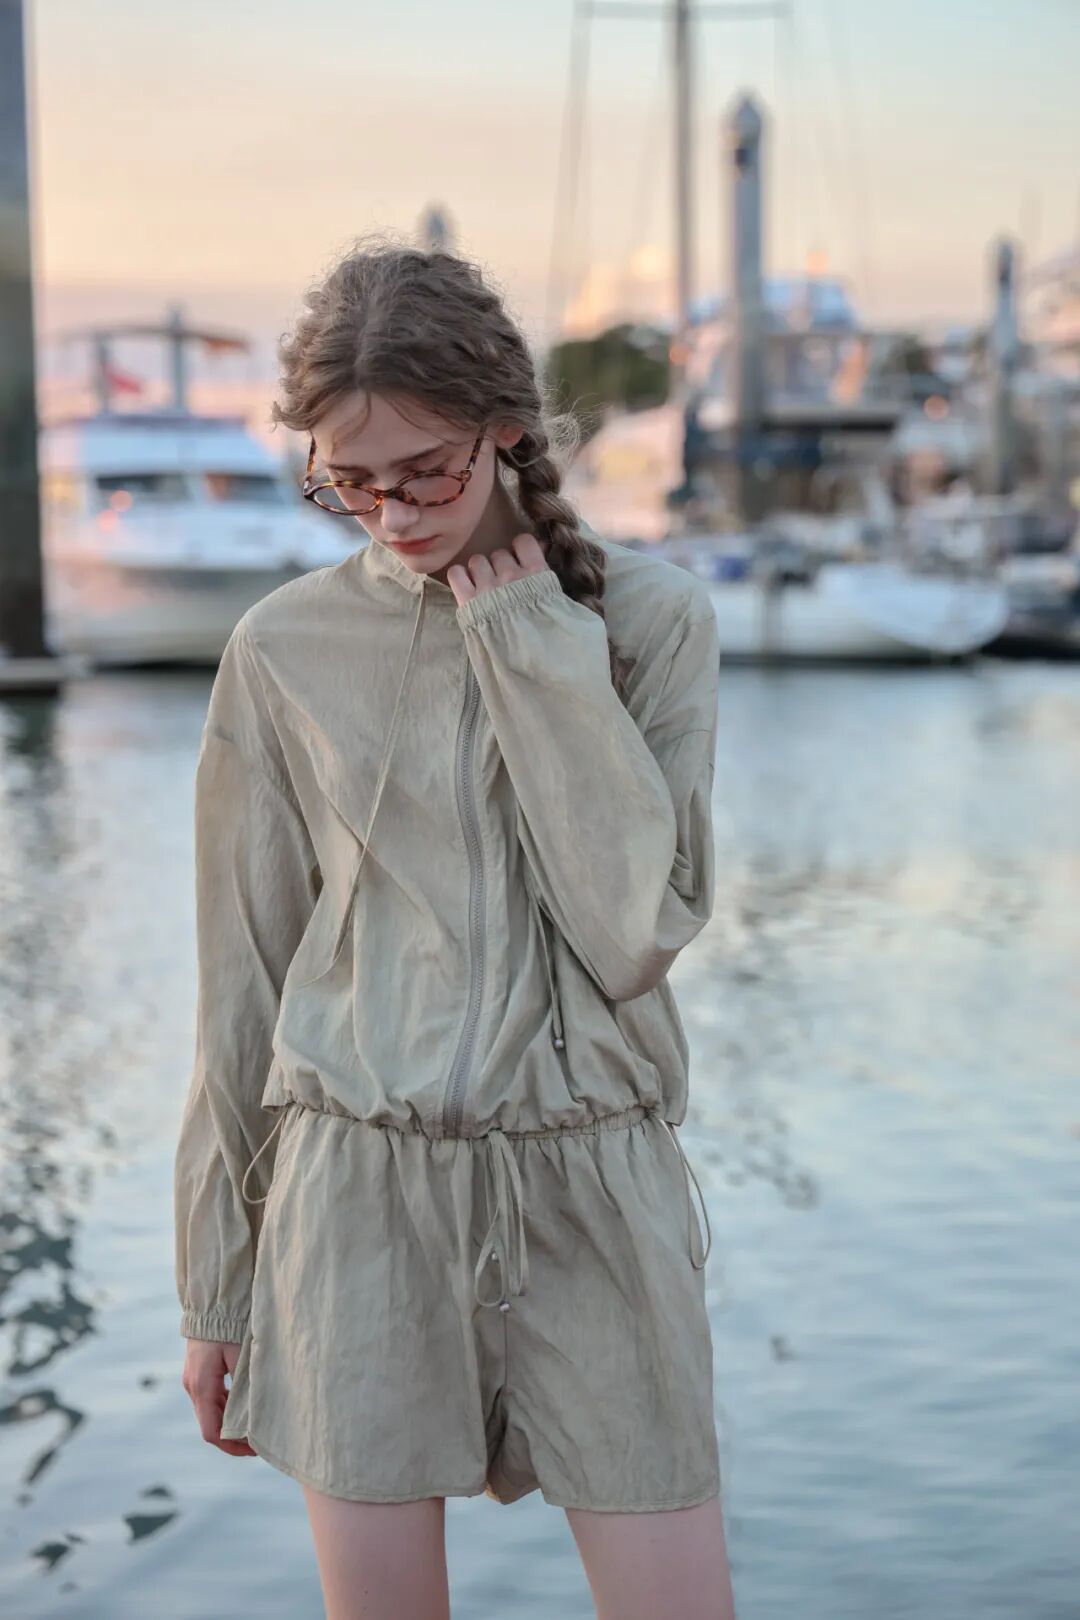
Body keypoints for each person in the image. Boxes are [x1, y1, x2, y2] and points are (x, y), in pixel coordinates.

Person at [174, 235, 737, 1620]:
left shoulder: (650, 622)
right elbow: (243, 977)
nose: (390, 512)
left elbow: (633, 930)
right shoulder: (283, 649)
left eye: (424, 472)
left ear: (505, 433)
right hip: (354, 1199)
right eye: (348, 482)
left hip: (593, 1190)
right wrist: (217, 1285)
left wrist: (533, 647)